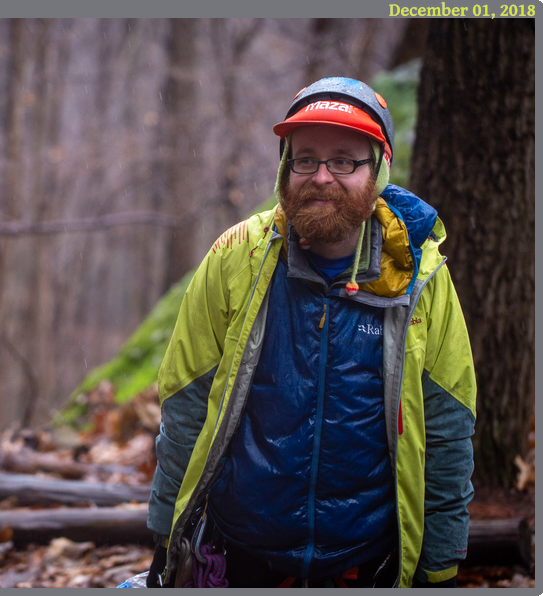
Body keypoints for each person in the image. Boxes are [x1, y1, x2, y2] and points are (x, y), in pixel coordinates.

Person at [145, 77, 476, 588]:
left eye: (344, 160)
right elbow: (185, 411)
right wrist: (166, 540)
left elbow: (448, 430)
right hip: (241, 554)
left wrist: (440, 567)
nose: (321, 177)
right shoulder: (236, 258)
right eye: (305, 159)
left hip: (367, 559)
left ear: (378, 169)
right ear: (285, 167)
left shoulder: (420, 278)